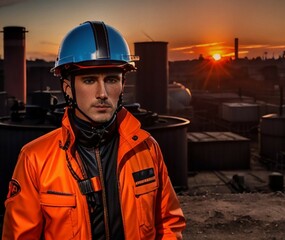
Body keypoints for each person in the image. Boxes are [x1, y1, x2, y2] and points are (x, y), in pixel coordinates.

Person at [2, 21, 186, 240]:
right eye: (89, 80)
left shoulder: (146, 149)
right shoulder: (35, 159)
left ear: (122, 84)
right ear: (68, 88)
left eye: (111, 80)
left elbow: (168, 224)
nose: (102, 93)